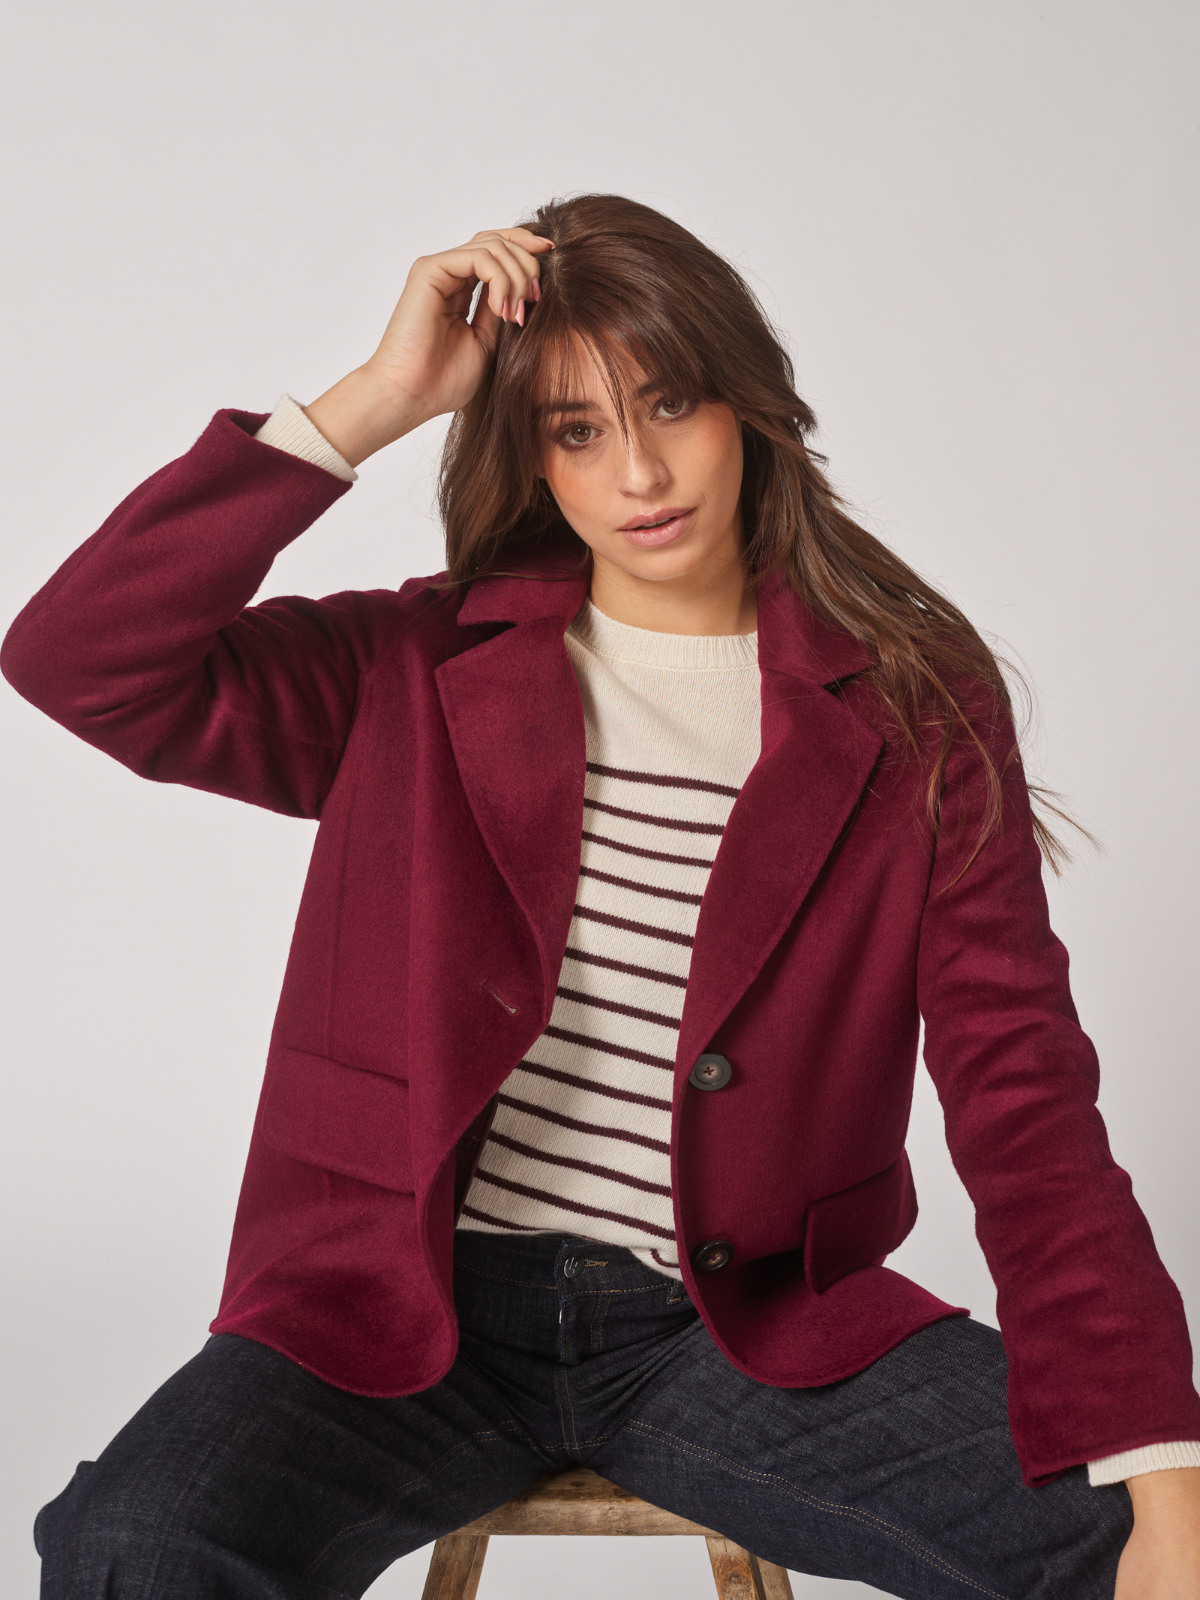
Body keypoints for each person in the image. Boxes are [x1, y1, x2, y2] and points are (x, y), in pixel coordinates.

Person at [5, 193, 1200, 1600]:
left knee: (1136, 1539)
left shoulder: (911, 704)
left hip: (735, 1328)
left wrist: (1160, 1469)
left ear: (748, 402)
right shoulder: (418, 663)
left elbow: (1024, 1096)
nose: (639, 471)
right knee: (135, 1548)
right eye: (576, 430)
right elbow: (79, 658)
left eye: (670, 404)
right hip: (404, 1314)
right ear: (531, 456)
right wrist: (375, 400)